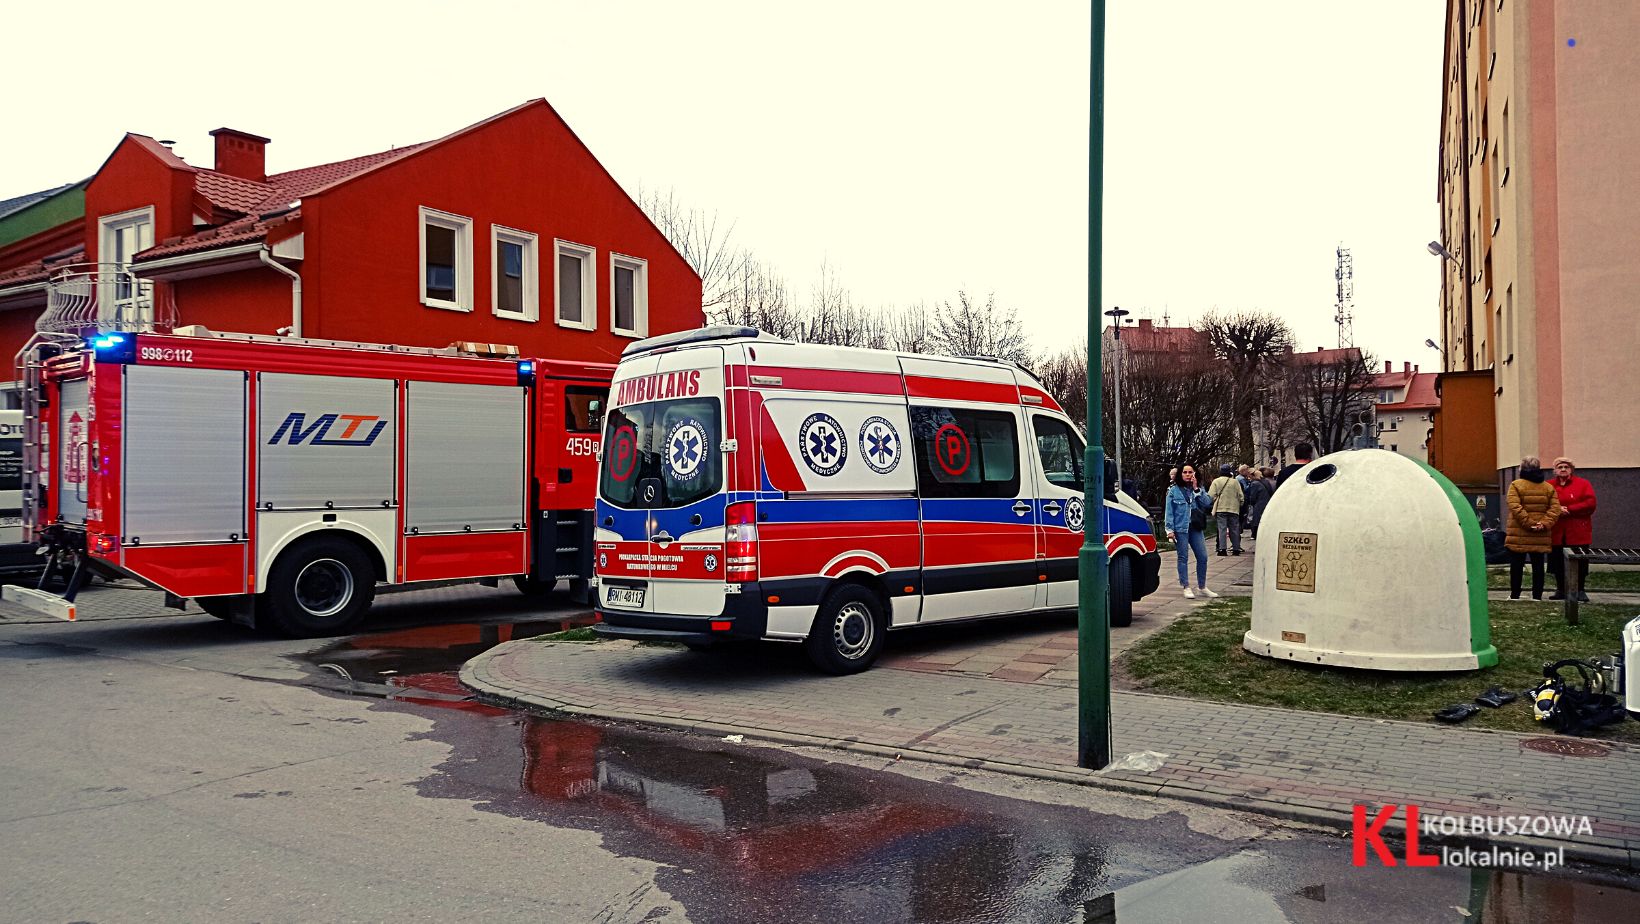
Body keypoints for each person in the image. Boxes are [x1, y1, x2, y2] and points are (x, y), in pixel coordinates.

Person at [1504, 455, 1562, 600]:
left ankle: (1515, 594)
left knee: (1516, 566)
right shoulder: (1548, 487)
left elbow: (1515, 506)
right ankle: (1537, 596)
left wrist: (1529, 523)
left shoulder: (1516, 485)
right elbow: (1555, 509)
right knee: (1538, 566)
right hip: (1541, 534)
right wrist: (1543, 523)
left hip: (1519, 532)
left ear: (1522, 469)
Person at [1164, 464, 1219, 599]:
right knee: (1183, 557)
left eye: (1190, 472)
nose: (1188, 475)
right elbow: (1169, 511)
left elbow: (1206, 503)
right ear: (1180, 474)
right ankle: (1186, 586)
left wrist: (1196, 489)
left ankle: (1202, 586)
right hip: (1180, 528)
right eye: (1185, 472)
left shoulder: (1198, 488)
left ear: (1194, 474)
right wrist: (1169, 530)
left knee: (1203, 557)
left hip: (1195, 527)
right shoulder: (1173, 491)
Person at [1548, 456, 1598, 602]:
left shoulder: (1583, 484)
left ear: (1571, 470)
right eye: (1560, 467)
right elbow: (1543, 502)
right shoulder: (1549, 485)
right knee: (1557, 561)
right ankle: (1560, 590)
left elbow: (1590, 503)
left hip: (1577, 531)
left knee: (1580, 561)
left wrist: (1569, 509)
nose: (1563, 469)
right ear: (1555, 470)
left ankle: (1580, 590)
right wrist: (1557, 509)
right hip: (1557, 531)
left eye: (1566, 467)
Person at [1208, 463, 1245, 556]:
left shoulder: (1216, 481)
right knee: (1234, 529)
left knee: (1222, 529)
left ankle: (1222, 549)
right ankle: (1236, 549)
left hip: (1221, 508)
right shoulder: (1235, 482)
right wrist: (1240, 504)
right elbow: (1241, 496)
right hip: (1233, 508)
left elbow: (1211, 495)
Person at [1243, 467, 1270, 539]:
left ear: (1252, 475)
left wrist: (1250, 503)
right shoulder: (1265, 481)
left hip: (1259, 503)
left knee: (1256, 519)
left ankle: (1255, 534)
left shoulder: (1254, 483)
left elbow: (1253, 497)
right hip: (1266, 502)